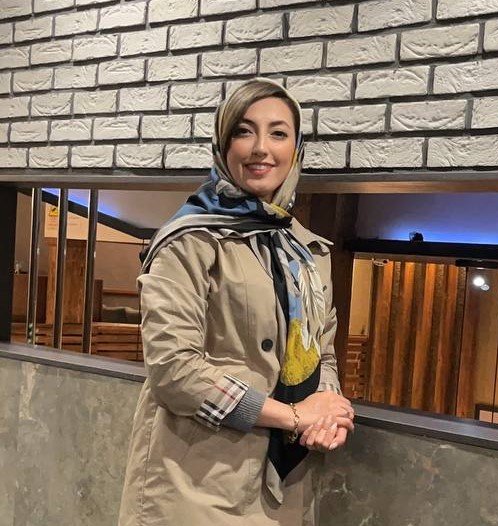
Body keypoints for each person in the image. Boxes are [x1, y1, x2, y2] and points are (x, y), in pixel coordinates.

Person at [118, 78, 354, 526]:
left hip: (284, 487)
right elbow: (174, 371)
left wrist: (327, 408)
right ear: (223, 145)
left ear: (296, 149)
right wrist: (294, 416)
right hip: (194, 483)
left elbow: (321, 352)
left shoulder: (308, 253)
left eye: (278, 133)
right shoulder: (188, 241)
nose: (261, 148)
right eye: (244, 131)